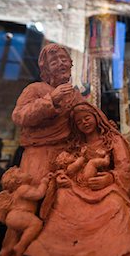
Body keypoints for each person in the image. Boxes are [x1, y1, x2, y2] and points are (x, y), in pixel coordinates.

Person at [0, 103, 130, 256]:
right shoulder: (77, 144)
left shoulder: (112, 140)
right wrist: (65, 180)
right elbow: (68, 169)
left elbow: (125, 168)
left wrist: (110, 178)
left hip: (107, 188)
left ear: (97, 117)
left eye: (87, 117)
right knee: (62, 198)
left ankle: (122, 251)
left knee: (115, 204)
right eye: (79, 121)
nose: (84, 123)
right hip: (78, 187)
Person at [11, 43, 85, 184]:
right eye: (54, 62)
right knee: (33, 194)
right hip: (39, 153)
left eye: (64, 59)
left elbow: (90, 121)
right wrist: (50, 99)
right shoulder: (35, 89)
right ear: (46, 69)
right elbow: (19, 116)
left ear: (71, 63)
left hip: (68, 156)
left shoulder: (76, 96)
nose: (61, 64)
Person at [0, 167, 52, 256]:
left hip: (13, 217)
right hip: (19, 214)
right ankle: (21, 246)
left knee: (13, 237)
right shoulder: (23, 188)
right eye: (21, 172)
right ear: (19, 181)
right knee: (36, 224)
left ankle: (5, 253)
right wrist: (44, 182)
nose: (26, 172)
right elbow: (38, 194)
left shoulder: (18, 191)